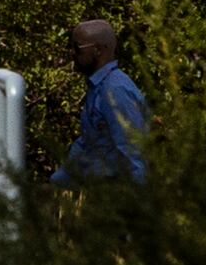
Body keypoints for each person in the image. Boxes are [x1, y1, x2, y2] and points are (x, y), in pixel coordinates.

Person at [61, 15, 150, 186]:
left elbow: (132, 153)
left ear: (97, 50)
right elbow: (88, 144)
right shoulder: (97, 88)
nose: (72, 53)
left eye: (77, 48)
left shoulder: (115, 90)